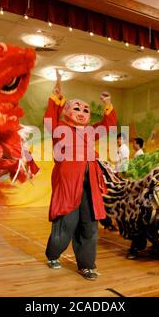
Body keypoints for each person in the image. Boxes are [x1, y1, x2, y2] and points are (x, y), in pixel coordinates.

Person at [44, 70, 117, 281]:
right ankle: (53, 254)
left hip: (90, 186)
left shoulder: (89, 132)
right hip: (68, 185)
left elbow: (108, 126)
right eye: (76, 107)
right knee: (66, 223)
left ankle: (87, 265)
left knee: (89, 224)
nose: (82, 111)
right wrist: (55, 98)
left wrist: (107, 105)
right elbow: (49, 119)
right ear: (66, 111)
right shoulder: (60, 129)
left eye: (85, 109)